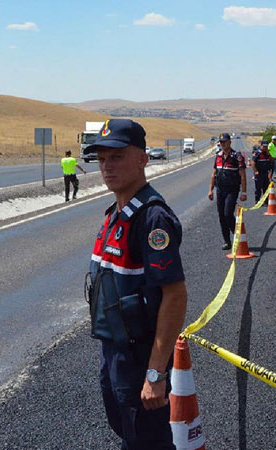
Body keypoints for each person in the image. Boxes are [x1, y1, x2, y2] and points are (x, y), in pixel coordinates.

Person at [83, 119, 187, 450]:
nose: (106, 166)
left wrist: (155, 374)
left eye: (116, 156)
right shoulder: (115, 212)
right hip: (113, 351)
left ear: (142, 159)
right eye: (101, 158)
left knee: (148, 441)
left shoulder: (152, 218)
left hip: (139, 356)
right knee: (129, 433)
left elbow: (175, 296)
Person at [208, 133, 247, 250]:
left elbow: (243, 176)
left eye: (224, 142)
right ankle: (227, 241)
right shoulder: (218, 156)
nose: (222, 144)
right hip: (220, 190)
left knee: (228, 214)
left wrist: (243, 192)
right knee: (221, 216)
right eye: (221, 142)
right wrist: (210, 190)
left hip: (232, 190)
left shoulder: (237, 156)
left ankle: (237, 234)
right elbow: (213, 174)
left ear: (230, 142)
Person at [252, 140, 272, 204]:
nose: (265, 148)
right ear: (261, 146)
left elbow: (271, 161)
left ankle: (266, 201)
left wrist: (268, 154)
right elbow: (253, 163)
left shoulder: (267, 153)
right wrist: (256, 171)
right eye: (264, 146)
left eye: (266, 146)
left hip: (265, 173)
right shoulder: (257, 153)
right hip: (259, 173)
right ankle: (257, 200)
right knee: (258, 188)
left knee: (266, 188)